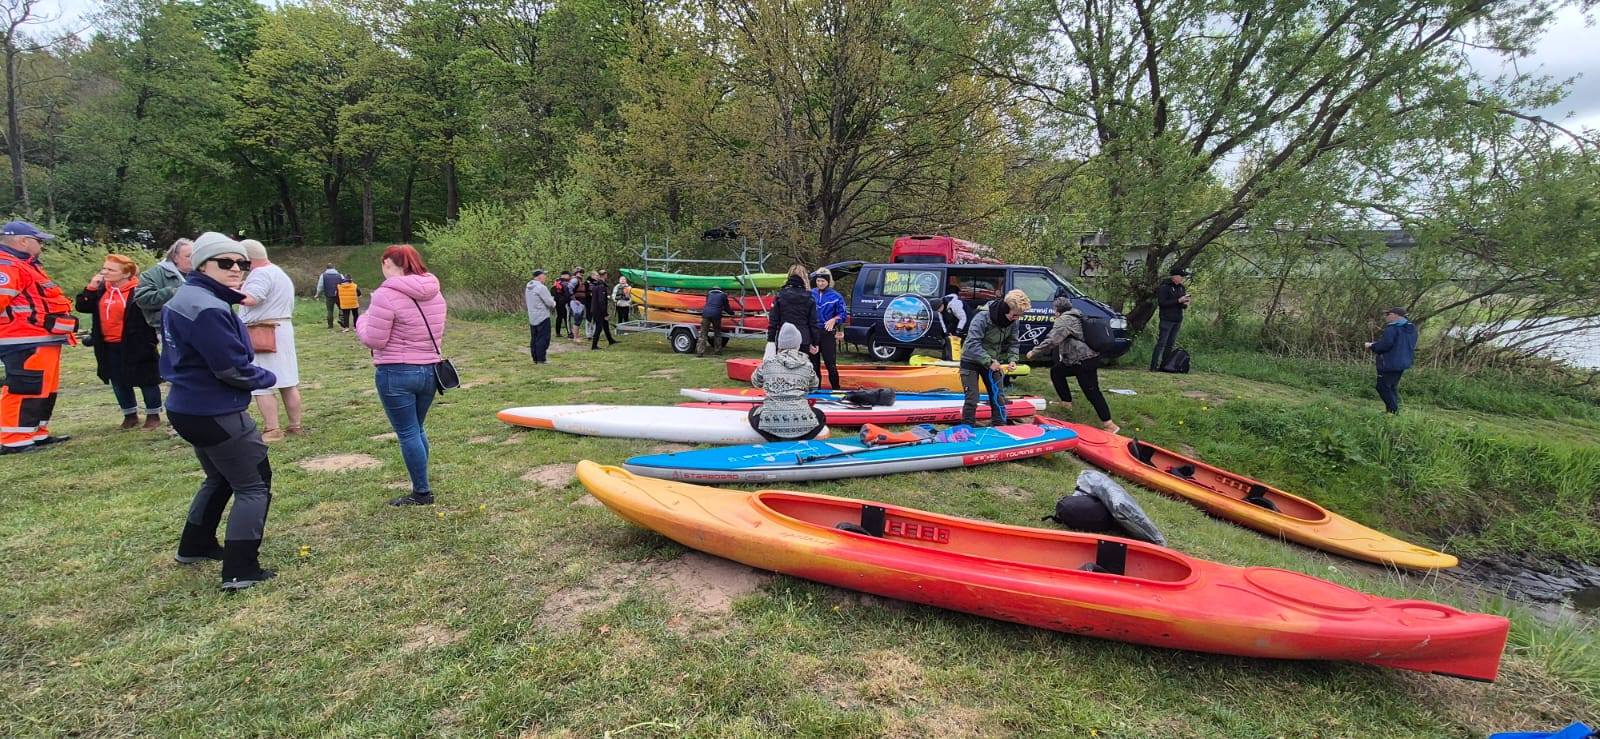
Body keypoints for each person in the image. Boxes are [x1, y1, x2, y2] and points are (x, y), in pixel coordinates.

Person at [162, 232, 278, 590]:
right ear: (201, 265)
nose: (236, 269)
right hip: (215, 409)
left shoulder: (188, 298)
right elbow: (231, 369)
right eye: (225, 262)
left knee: (220, 477)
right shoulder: (208, 308)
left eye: (242, 263)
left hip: (187, 406)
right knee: (254, 483)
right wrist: (267, 377)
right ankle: (241, 570)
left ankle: (195, 545)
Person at [356, 244, 448, 506]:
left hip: (396, 372)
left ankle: (421, 492)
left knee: (408, 432)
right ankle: (422, 485)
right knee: (417, 429)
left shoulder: (385, 295)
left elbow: (374, 339)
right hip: (429, 371)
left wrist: (361, 320)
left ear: (387, 263)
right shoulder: (434, 291)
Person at [0, 220, 77, 454]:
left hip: (41, 338)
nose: (41, 246)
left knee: (44, 388)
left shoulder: (26, 264)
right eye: (39, 241)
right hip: (21, 339)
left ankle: (36, 432)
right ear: (23, 241)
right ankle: (14, 438)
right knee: (25, 388)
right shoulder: (7, 266)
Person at [74, 254, 163, 430]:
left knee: (147, 380)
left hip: (137, 343)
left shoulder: (138, 290)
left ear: (126, 273)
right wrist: (91, 287)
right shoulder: (101, 289)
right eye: (104, 268)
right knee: (117, 380)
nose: (104, 272)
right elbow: (83, 307)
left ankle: (153, 415)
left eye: (110, 269)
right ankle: (129, 415)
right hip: (108, 344)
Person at [237, 240, 303, 441]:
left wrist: (226, 292)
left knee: (261, 383)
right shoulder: (277, 272)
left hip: (263, 331)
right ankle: (295, 425)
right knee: (287, 381)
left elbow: (251, 298)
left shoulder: (260, 274)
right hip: (280, 329)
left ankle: (272, 429)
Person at [1028, 297, 1118, 433]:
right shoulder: (1077, 314)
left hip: (1084, 360)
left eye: (1054, 309)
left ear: (1057, 309)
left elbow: (1052, 340)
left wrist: (1034, 352)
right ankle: (1066, 403)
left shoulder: (1064, 320)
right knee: (1057, 372)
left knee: (1092, 391)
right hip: (1077, 359)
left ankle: (1110, 424)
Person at [961, 289, 1030, 427]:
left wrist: (1012, 359)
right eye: (1015, 315)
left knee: (998, 396)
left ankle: (999, 425)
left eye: (1019, 316)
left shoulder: (1013, 321)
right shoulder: (982, 317)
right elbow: (972, 343)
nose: (1016, 318)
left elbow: (1014, 342)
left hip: (993, 362)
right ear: (1005, 309)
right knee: (972, 399)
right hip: (971, 360)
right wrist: (988, 361)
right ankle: (967, 427)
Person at [749, 323, 825, 440]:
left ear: (780, 344)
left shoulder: (768, 363)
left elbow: (755, 382)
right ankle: (798, 437)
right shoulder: (807, 365)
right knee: (820, 415)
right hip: (802, 419)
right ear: (798, 344)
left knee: (753, 412)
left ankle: (776, 439)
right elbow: (814, 386)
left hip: (770, 420)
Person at [132, 237, 193, 330]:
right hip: (165, 329)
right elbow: (142, 300)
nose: (193, 259)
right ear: (175, 258)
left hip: (196, 328)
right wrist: (176, 292)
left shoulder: (204, 273)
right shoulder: (151, 275)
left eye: (194, 256)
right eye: (188, 256)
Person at [1366, 307, 1418, 414]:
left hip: (1389, 363)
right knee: (1391, 387)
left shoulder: (1392, 329)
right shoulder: (1412, 329)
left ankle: (1394, 412)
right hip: (1403, 362)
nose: (1386, 317)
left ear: (1396, 315)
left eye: (1388, 314)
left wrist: (1372, 346)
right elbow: (1399, 344)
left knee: (1382, 387)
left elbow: (1385, 345)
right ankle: (1390, 412)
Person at [766, 264, 818, 368]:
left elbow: (773, 320)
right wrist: (815, 341)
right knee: (803, 369)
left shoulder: (780, 296)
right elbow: (813, 323)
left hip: (783, 337)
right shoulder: (809, 297)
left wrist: (771, 340)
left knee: (782, 368)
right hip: (804, 337)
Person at [810, 267, 848, 389]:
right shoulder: (810, 294)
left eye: (823, 281)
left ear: (828, 281)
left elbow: (843, 314)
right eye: (818, 281)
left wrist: (834, 319)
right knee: (814, 365)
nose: (820, 283)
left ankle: (836, 389)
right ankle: (816, 390)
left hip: (827, 334)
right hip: (813, 334)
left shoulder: (836, 296)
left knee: (830, 364)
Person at [1150, 267, 1191, 371]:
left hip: (1177, 319)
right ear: (1175, 277)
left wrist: (1185, 303)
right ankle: (1153, 366)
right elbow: (1162, 303)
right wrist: (1178, 300)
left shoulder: (1181, 288)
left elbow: (1181, 305)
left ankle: (1165, 366)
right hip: (1166, 319)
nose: (1182, 278)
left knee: (1170, 344)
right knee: (1161, 343)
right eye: (1181, 276)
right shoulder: (1165, 287)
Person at [524, 269, 555, 363]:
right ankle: (541, 359)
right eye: (544, 275)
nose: (545, 277)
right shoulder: (541, 287)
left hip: (532, 316)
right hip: (542, 316)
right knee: (543, 338)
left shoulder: (528, 287)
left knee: (534, 338)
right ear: (539, 276)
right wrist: (554, 303)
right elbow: (549, 302)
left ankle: (535, 358)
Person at [588, 268, 617, 349]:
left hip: (596, 309)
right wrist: (605, 313)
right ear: (605, 275)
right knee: (599, 327)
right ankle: (594, 346)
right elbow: (601, 301)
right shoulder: (601, 286)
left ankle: (610, 340)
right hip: (599, 310)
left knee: (605, 325)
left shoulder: (596, 285)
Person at [698, 286, 729, 356]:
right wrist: (731, 313)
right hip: (716, 315)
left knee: (703, 334)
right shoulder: (723, 295)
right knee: (717, 333)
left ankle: (700, 352)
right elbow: (726, 307)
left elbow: (708, 304)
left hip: (706, 314)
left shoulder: (709, 294)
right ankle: (717, 351)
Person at [313, 263, 345, 329]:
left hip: (328, 295)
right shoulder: (340, 275)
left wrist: (317, 294)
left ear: (326, 268)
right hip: (339, 295)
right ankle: (342, 321)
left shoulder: (323, 275)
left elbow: (320, 286)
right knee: (341, 308)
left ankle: (330, 325)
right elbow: (344, 284)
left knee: (330, 310)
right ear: (334, 267)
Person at [939, 288, 967, 361]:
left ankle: (961, 358)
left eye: (939, 309)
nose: (938, 311)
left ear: (942, 305)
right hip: (953, 321)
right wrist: (946, 332)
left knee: (961, 338)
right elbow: (942, 321)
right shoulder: (940, 309)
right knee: (948, 338)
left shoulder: (955, 304)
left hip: (965, 319)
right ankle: (948, 357)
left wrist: (958, 331)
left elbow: (963, 318)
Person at [551, 270, 572, 339]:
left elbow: (552, 292)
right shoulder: (565, 283)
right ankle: (569, 333)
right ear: (565, 275)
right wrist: (569, 300)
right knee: (567, 317)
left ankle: (558, 332)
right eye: (569, 275)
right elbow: (567, 293)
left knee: (559, 317)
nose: (569, 277)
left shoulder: (556, 282)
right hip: (564, 302)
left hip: (557, 302)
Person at [569, 269, 588, 340]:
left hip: (581, 302)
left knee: (579, 319)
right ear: (576, 273)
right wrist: (574, 299)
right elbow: (569, 289)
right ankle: (575, 337)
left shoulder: (581, 280)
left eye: (582, 272)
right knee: (577, 319)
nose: (581, 273)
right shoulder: (574, 280)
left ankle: (576, 336)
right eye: (580, 272)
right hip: (576, 302)